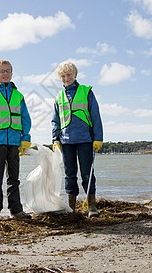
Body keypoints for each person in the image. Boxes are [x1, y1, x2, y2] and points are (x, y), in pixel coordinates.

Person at [0, 60, 32, 222]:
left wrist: (26, 139)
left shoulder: (19, 96)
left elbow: (25, 119)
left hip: (15, 142)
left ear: (12, 73)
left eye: (8, 70)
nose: (6, 73)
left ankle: (16, 211)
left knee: (14, 179)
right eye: (2, 71)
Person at [51, 61, 103, 217]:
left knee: (87, 174)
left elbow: (95, 116)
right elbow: (55, 120)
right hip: (66, 141)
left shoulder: (86, 92)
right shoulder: (59, 96)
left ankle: (91, 207)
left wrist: (98, 138)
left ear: (75, 74)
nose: (66, 78)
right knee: (70, 174)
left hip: (85, 139)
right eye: (63, 76)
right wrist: (55, 139)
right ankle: (71, 207)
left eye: (69, 75)